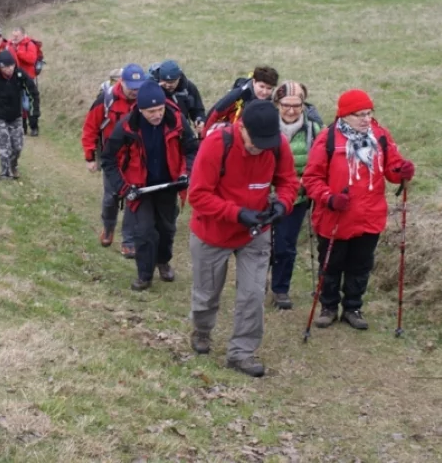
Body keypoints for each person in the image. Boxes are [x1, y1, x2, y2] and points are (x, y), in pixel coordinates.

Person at [187, 100, 299, 377]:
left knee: (252, 295)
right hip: (213, 231)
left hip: (255, 232)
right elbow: (198, 195)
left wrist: (282, 205)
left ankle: (241, 352)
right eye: (254, 141)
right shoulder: (216, 144)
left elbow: (288, 181)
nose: (259, 147)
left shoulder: (277, 145)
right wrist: (237, 213)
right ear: (241, 127)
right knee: (207, 293)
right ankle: (202, 330)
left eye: (266, 142)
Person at [301, 89, 415, 330]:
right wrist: (329, 198)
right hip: (335, 216)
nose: (366, 119)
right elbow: (312, 179)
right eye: (359, 114)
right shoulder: (328, 139)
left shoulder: (381, 136)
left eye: (369, 113)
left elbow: (392, 168)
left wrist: (402, 171)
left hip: (369, 215)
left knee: (361, 265)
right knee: (331, 264)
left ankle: (353, 307)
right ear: (343, 115)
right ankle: (329, 306)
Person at [101, 81, 198, 290]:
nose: (157, 115)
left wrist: (185, 173)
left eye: (160, 109)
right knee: (144, 232)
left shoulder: (178, 121)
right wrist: (124, 188)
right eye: (151, 111)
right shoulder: (126, 127)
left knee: (166, 229)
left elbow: (192, 150)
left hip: (169, 185)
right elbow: (108, 161)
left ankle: (162, 261)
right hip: (139, 189)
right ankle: (144, 275)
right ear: (140, 109)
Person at [268, 81, 324, 310]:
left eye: (296, 105)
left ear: (303, 104)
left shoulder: (314, 129)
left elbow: (320, 164)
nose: (291, 110)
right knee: (260, 243)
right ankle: (255, 281)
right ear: (276, 104)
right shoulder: (266, 125)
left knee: (285, 244)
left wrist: (306, 182)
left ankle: (280, 289)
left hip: (297, 198)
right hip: (263, 195)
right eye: (285, 105)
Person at [81, 63, 146, 258]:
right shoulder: (106, 100)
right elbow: (90, 128)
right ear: (122, 82)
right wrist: (90, 157)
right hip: (112, 159)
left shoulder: (144, 100)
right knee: (111, 198)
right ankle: (108, 227)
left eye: (139, 87)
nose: (136, 92)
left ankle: (128, 240)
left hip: (137, 158)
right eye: (132, 88)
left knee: (133, 198)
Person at [0, 50, 39, 179]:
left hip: (16, 116)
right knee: (4, 147)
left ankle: (13, 165)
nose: (9, 69)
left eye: (11, 66)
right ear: (0, 67)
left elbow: (33, 92)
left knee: (17, 147)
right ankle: (5, 173)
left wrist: (33, 114)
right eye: (6, 67)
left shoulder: (20, 75)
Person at [202, 66, 279, 138]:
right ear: (254, 82)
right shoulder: (237, 95)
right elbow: (214, 114)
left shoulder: (275, 102)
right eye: (261, 86)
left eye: (269, 88)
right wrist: (203, 140)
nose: (264, 92)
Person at [150, 60, 206, 132]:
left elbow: (198, 109)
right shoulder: (152, 87)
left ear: (179, 78)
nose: (167, 86)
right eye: (164, 81)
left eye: (171, 82)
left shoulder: (189, 87)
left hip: (182, 129)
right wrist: (156, 89)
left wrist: (200, 119)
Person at [10, 26, 43, 136]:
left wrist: (18, 52)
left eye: (17, 36)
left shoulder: (30, 45)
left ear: (23, 35)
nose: (14, 38)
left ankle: (34, 127)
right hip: (14, 78)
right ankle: (22, 127)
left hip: (28, 78)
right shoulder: (10, 45)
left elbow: (31, 59)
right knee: (17, 103)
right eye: (13, 35)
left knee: (28, 104)